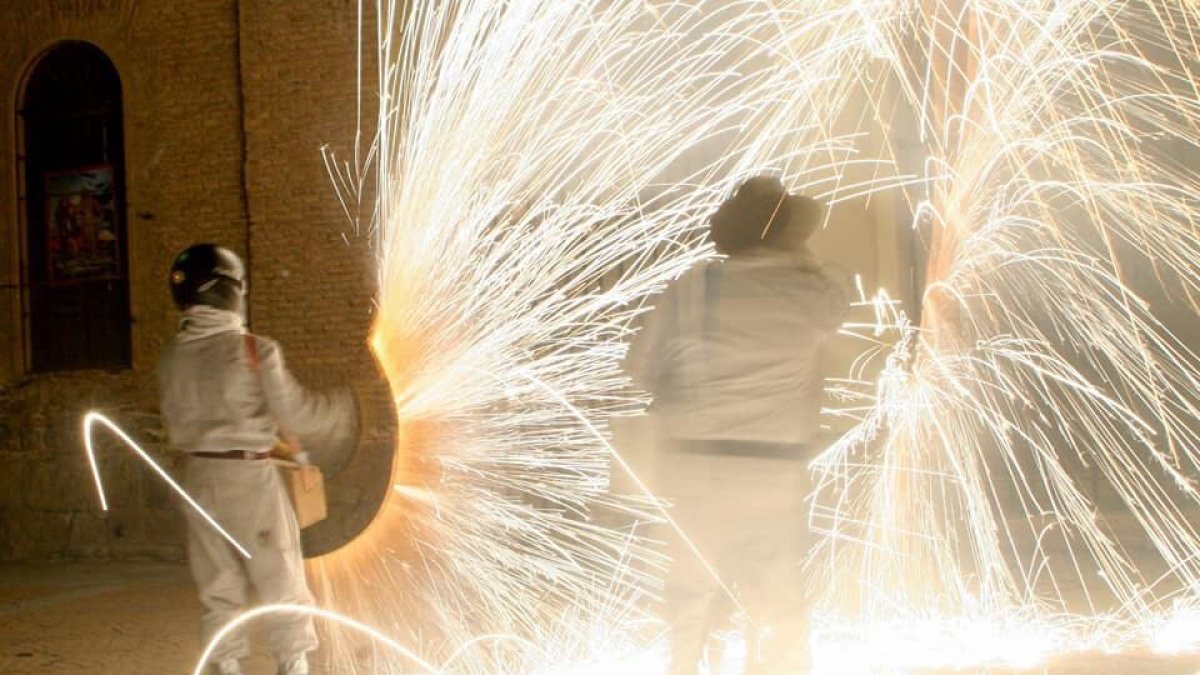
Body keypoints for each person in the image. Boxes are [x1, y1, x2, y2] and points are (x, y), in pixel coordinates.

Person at [625, 176, 850, 674]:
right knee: (778, 607)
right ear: (790, 234)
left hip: (694, 469)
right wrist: (802, 260)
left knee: (688, 602)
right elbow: (837, 290)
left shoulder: (693, 288)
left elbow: (639, 367)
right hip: (772, 473)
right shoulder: (813, 294)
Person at [158, 243, 357, 675]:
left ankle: (226, 663)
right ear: (230, 290)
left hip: (197, 480)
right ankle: (292, 661)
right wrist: (342, 411)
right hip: (249, 479)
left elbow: (180, 417)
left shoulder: (171, 356)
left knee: (217, 584)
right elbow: (294, 413)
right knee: (280, 574)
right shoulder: (254, 350)